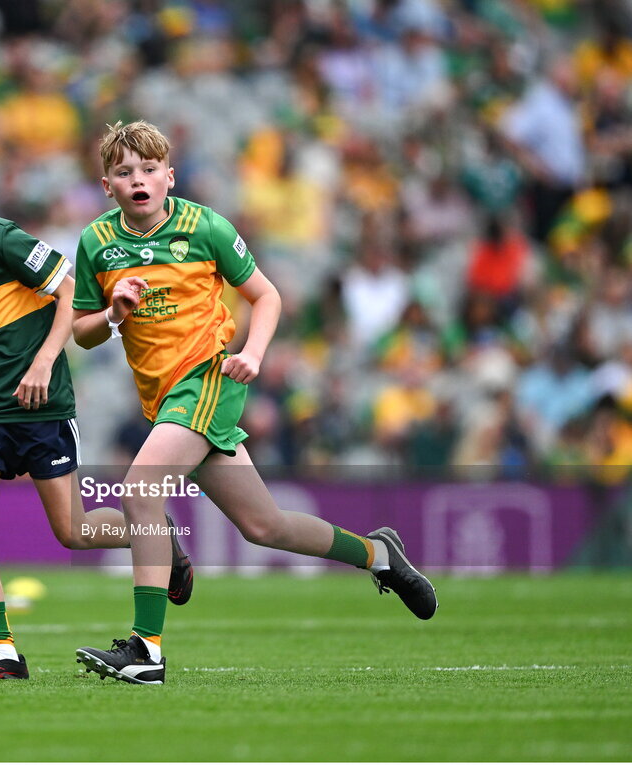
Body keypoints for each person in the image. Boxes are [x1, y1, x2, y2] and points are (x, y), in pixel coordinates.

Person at [71, 120, 437, 685]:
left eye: (149, 169)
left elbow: (266, 296)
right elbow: (82, 332)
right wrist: (113, 313)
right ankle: (378, 555)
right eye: (124, 172)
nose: (138, 179)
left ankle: (146, 651)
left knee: (140, 491)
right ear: (106, 185)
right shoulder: (96, 241)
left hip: (208, 379)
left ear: (170, 176)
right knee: (265, 527)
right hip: (163, 400)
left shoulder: (205, 226)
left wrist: (254, 353)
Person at [0, 129, 194, 681]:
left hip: (41, 405)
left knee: (73, 532)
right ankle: (4, 652)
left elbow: (68, 290)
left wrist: (43, 362)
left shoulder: (1, 240)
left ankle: (159, 535)